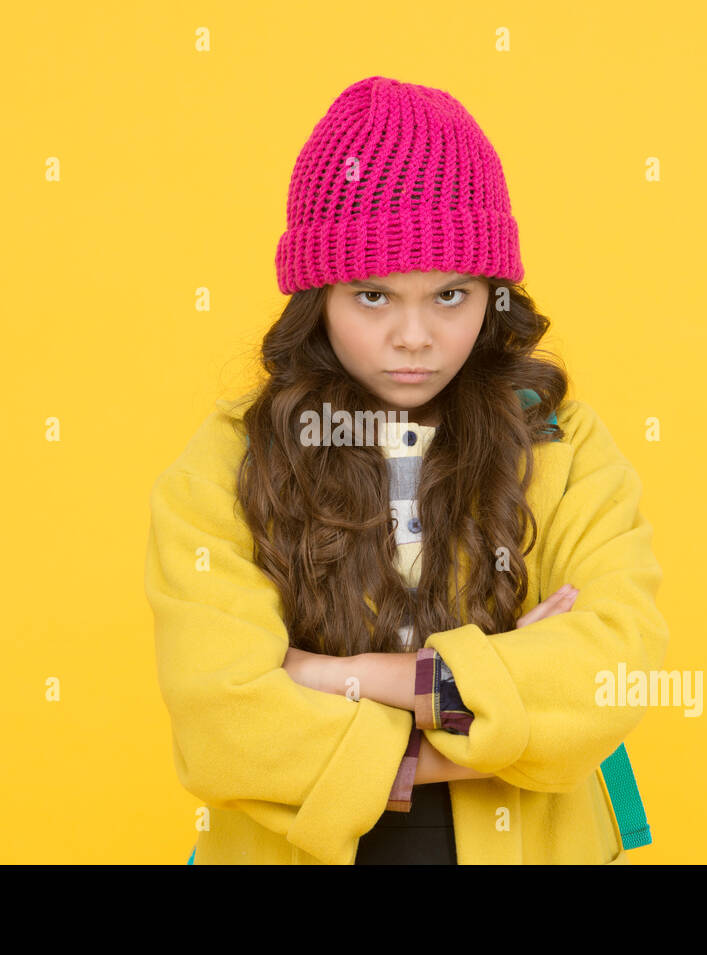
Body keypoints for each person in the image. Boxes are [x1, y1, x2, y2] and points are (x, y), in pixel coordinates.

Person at [147, 75, 668, 865]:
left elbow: (613, 670)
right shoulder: (227, 462)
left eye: (450, 295)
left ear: (493, 295)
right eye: (374, 297)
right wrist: (495, 698)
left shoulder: (559, 442)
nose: (415, 337)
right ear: (317, 297)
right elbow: (223, 726)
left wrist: (339, 674)